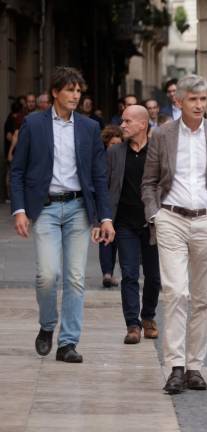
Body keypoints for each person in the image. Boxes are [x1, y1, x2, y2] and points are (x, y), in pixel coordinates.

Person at [142, 74, 207, 394]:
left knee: (202, 299)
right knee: (176, 292)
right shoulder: (162, 135)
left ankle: (195, 366)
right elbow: (149, 181)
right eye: (193, 99)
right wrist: (154, 215)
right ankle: (175, 366)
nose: (199, 105)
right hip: (170, 219)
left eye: (203, 100)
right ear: (179, 101)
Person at [11, 66, 115, 363]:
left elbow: (98, 176)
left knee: (75, 277)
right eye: (70, 90)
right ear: (55, 92)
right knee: (47, 275)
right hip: (44, 208)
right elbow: (17, 171)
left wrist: (104, 217)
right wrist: (20, 210)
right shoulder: (33, 124)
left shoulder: (89, 127)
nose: (75, 95)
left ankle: (68, 343)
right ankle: (47, 325)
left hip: (79, 209)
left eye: (79, 91)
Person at [108, 105, 162, 344]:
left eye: (127, 121)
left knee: (154, 277)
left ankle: (148, 316)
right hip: (124, 224)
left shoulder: (158, 152)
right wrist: (104, 218)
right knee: (129, 274)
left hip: (153, 224)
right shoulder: (115, 153)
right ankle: (133, 324)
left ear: (142, 124)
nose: (122, 125)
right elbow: (107, 186)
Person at [99, 125, 124, 288]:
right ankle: (107, 273)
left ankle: (110, 273)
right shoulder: (103, 158)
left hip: (122, 204)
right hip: (108, 204)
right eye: (112, 144)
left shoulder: (124, 156)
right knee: (107, 239)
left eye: (118, 144)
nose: (114, 147)